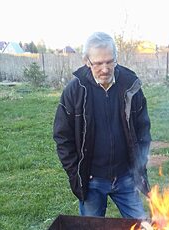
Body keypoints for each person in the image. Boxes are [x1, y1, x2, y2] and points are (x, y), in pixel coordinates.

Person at [53, 32, 151, 219]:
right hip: (92, 181)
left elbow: (143, 131)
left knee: (141, 224)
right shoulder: (74, 91)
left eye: (109, 61)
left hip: (126, 178)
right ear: (87, 61)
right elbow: (62, 138)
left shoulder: (130, 85)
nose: (105, 69)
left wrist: (139, 166)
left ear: (116, 59)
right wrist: (77, 175)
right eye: (98, 63)